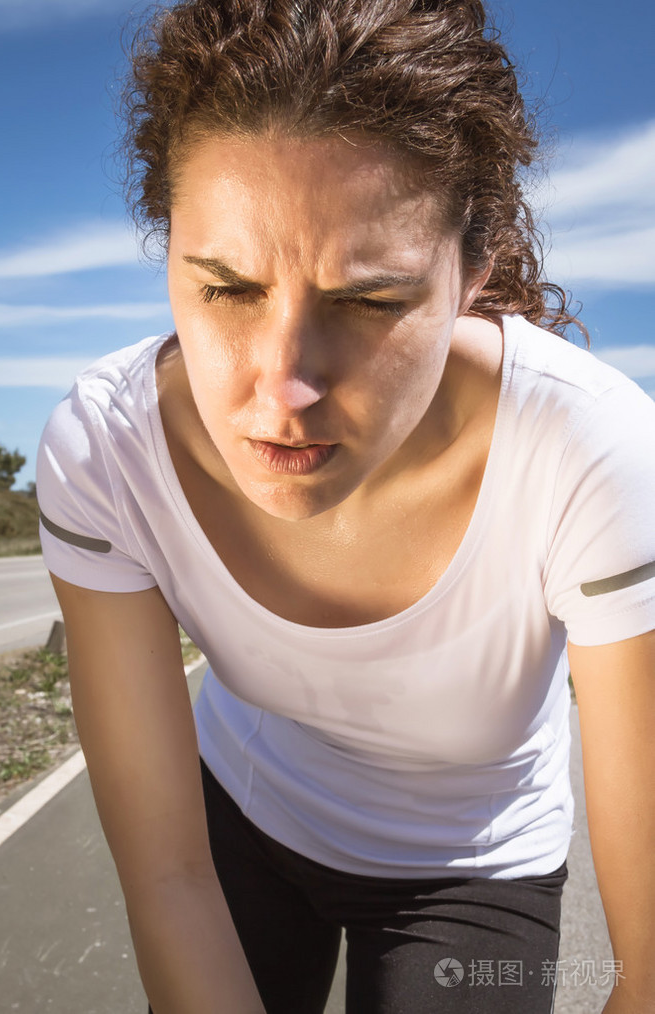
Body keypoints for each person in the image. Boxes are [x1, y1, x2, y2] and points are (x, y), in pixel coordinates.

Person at [36, 1, 655, 1012]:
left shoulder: (593, 453)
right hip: (240, 821)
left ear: (472, 277)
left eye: (369, 302)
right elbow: (167, 876)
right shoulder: (106, 450)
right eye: (227, 289)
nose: (281, 389)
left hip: (476, 866)